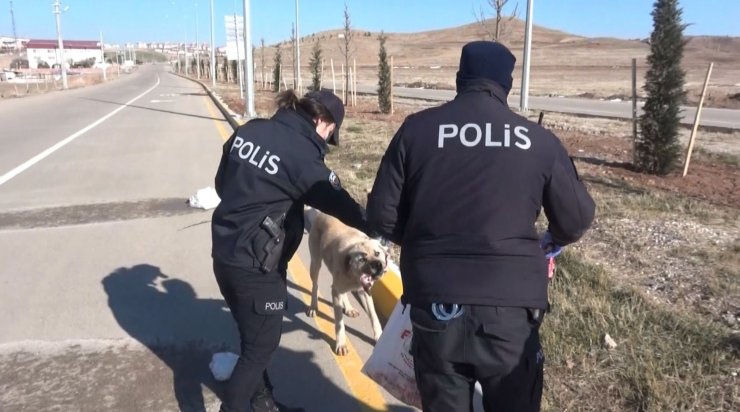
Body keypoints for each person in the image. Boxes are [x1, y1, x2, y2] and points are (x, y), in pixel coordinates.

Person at [366, 41, 596, 411]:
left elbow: (381, 216)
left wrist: (425, 240)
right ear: (505, 83)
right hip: (511, 313)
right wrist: (552, 239)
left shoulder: (417, 130)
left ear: (460, 79)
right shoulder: (537, 140)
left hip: (435, 306)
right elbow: (577, 219)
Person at [211, 89, 370, 412]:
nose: (327, 140)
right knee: (259, 350)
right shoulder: (301, 156)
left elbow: (220, 184)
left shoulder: (250, 130)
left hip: (225, 253)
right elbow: (346, 208)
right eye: (329, 133)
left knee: (252, 340)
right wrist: (382, 226)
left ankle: (263, 404)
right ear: (321, 120)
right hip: (257, 267)